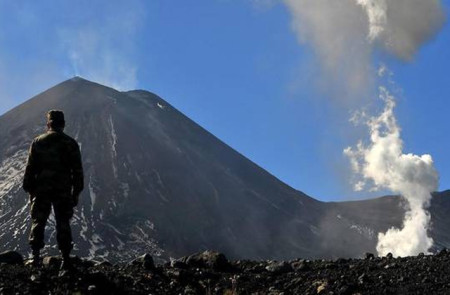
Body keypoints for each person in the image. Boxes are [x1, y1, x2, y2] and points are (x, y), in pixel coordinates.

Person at [23, 110, 84, 269]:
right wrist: (76, 193)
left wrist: (29, 189)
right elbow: (77, 171)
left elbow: (30, 168)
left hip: (41, 189)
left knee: (38, 221)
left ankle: (36, 258)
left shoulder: (38, 141)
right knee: (63, 222)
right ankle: (65, 259)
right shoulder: (70, 143)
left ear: (48, 123)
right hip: (62, 190)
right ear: (63, 124)